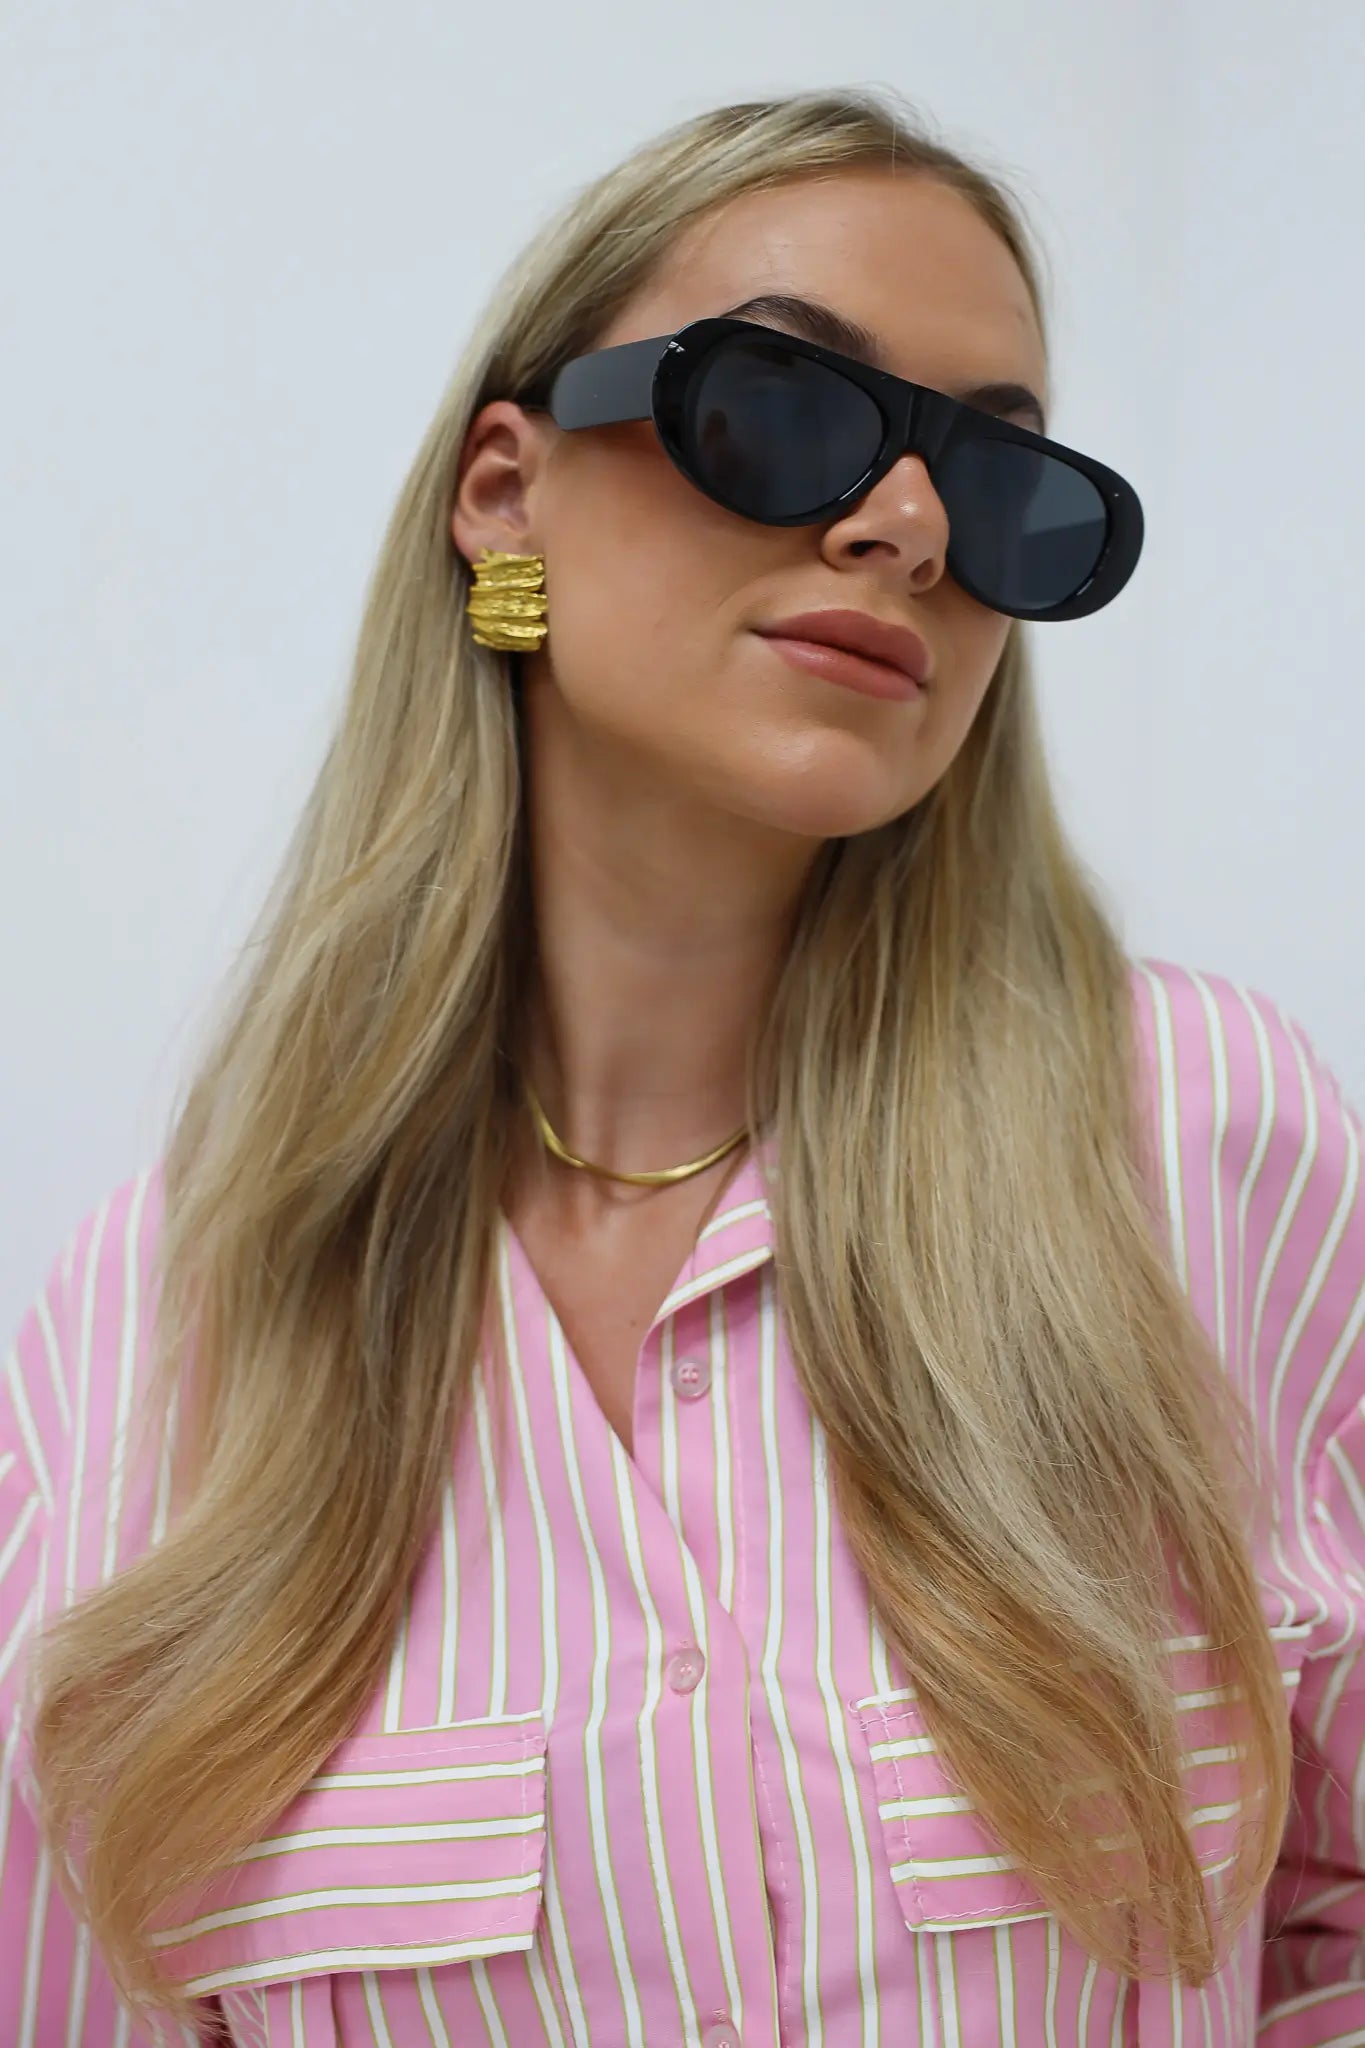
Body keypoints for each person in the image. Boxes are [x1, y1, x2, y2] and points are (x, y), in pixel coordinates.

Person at [2, 83, 1362, 2048]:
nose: (904, 525)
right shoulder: (151, 1338)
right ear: (505, 490)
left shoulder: (1199, 1147)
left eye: (998, 483)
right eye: (784, 408)